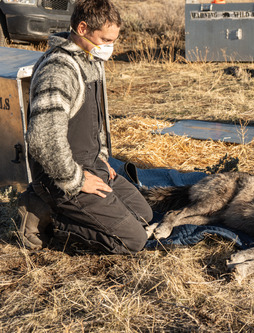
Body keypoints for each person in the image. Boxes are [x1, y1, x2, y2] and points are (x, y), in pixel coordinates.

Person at [18, 0, 153, 254]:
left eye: (113, 40)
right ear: (82, 28)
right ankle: (44, 217)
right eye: (105, 39)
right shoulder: (57, 71)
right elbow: (44, 140)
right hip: (60, 176)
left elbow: (94, 122)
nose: (109, 47)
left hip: (91, 166)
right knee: (133, 240)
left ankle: (63, 208)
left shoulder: (90, 60)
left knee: (144, 216)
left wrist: (101, 158)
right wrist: (76, 180)